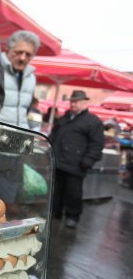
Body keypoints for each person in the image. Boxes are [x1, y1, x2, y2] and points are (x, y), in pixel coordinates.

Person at [50, 90, 104, 229]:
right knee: (57, 190)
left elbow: (96, 144)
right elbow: (53, 136)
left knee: (73, 192)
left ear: (85, 103)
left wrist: (88, 161)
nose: (73, 103)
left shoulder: (93, 121)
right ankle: (55, 212)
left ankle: (72, 216)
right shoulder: (65, 118)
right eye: (72, 101)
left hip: (77, 165)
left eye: (76, 101)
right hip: (59, 161)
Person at [0, 30, 40, 128]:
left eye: (28, 54)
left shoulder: (31, 78)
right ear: (8, 49)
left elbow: (25, 111)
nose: (22, 58)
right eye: (19, 52)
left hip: (19, 137)